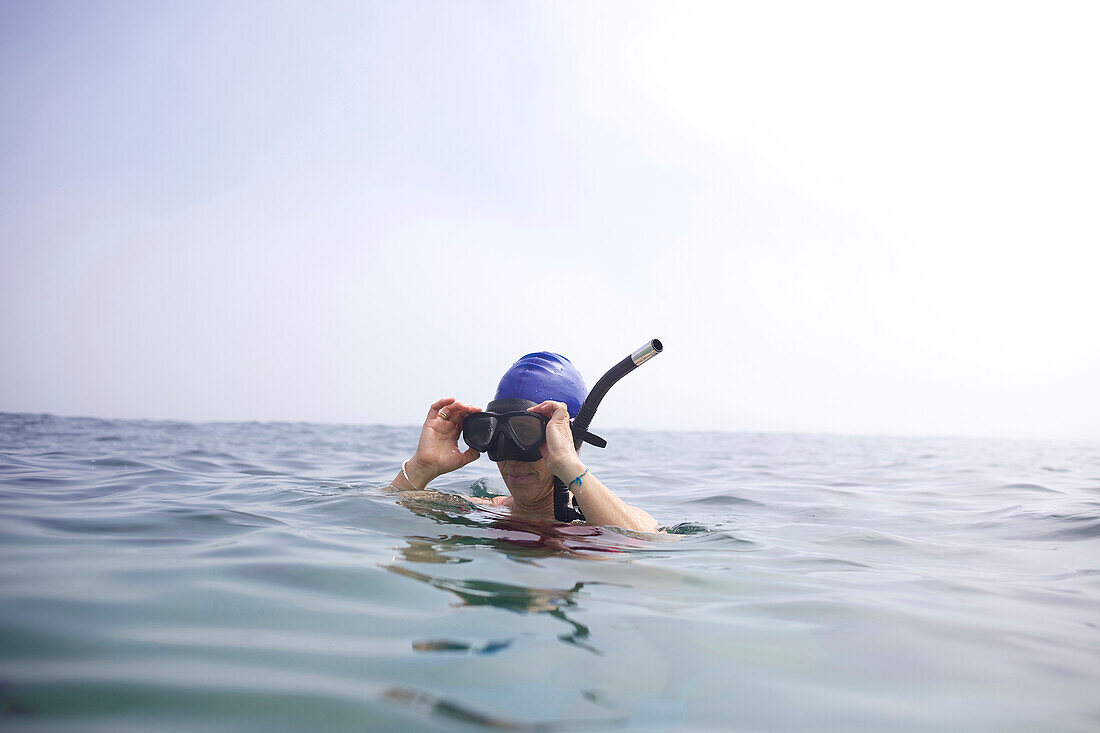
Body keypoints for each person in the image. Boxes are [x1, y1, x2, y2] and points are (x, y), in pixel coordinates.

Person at [390, 352, 658, 533]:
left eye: (527, 432)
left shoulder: (612, 520)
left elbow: (646, 546)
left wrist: (569, 466)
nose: (510, 456)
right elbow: (377, 512)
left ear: (568, 439)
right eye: (494, 433)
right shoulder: (483, 510)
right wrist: (420, 468)